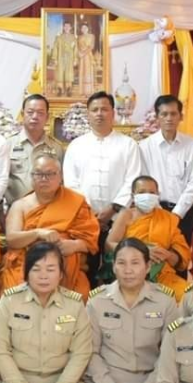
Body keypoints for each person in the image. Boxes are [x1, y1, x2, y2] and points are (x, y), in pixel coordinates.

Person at [0, 242, 91, 383]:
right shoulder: (9, 301)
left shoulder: (75, 305)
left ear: (61, 274)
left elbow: (81, 354)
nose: (43, 276)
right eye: (36, 269)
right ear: (26, 273)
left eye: (51, 269)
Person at [85, 239, 179, 383]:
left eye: (135, 263)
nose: (128, 270)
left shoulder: (165, 302)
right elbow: (90, 353)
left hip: (150, 381)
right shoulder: (97, 301)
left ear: (147, 267)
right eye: (121, 263)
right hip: (107, 381)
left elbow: (169, 356)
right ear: (114, 266)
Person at [63, 91, 144, 282]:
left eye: (104, 109)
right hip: (84, 218)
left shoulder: (128, 145)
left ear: (113, 113)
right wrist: (88, 210)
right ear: (88, 115)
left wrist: (113, 208)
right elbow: (71, 182)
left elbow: (133, 180)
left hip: (118, 219)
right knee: (86, 269)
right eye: (95, 110)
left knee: (116, 268)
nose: (100, 114)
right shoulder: (76, 146)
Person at [1, 154, 99, 298]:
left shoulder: (76, 202)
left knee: (80, 294)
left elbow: (91, 241)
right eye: (38, 174)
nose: (44, 178)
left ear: (61, 177)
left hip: (65, 267)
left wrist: (75, 245)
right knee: (14, 293)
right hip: (27, 266)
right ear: (32, 177)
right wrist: (38, 233)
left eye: (50, 174)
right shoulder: (20, 205)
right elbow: (12, 239)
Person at [105, 175, 191, 300]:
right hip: (131, 275)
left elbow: (181, 259)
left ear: (157, 195)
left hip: (162, 276)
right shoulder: (126, 215)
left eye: (152, 192)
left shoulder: (168, 219)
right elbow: (109, 244)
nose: (147, 196)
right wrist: (141, 251)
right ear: (133, 195)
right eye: (142, 192)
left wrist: (167, 254)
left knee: (188, 297)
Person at [138, 95, 193, 248]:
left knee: (180, 259)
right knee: (154, 259)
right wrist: (159, 211)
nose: (169, 118)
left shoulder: (192, 145)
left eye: (173, 114)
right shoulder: (145, 146)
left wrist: (177, 214)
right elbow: (143, 181)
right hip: (153, 211)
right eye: (164, 114)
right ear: (157, 117)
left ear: (181, 116)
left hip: (182, 214)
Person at [5, 94, 65, 206]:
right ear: (23, 114)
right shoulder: (8, 145)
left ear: (47, 117)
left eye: (40, 113)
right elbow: (1, 179)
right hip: (15, 209)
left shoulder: (57, 148)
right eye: (30, 112)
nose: (35, 117)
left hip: (48, 210)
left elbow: (62, 182)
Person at [50, 22, 77, 96]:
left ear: (70, 27)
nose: (67, 28)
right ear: (63, 27)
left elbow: (75, 49)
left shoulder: (73, 38)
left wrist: (75, 59)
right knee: (60, 73)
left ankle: (69, 89)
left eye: (68, 26)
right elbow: (55, 48)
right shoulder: (59, 37)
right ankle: (60, 89)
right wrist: (55, 58)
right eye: (65, 26)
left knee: (69, 73)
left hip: (69, 58)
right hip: (60, 58)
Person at [76, 23, 97, 94]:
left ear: (88, 28)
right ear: (81, 29)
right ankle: (82, 91)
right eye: (82, 28)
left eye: (85, 28)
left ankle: (89, 91)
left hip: (88, 56)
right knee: (82, 72)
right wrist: (79, 53)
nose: (84, 29)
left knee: (88, 72)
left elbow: (91, 47)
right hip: (81, 57)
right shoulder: (79, 37)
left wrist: (83, 53)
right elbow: (77, 47)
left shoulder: (91, 36)